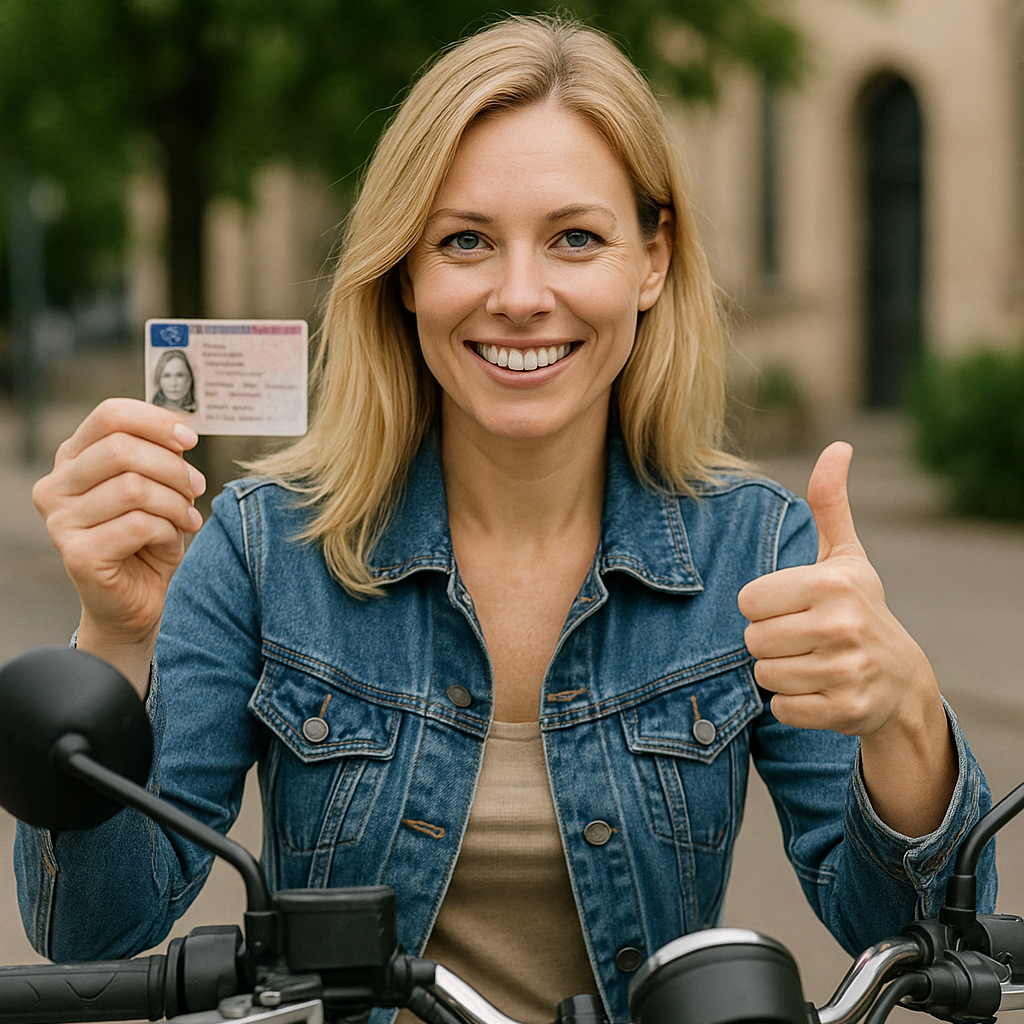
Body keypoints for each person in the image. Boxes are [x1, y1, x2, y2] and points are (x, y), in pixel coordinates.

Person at [21, 15, 995, 1024]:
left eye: (575, 237)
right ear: (407, 272)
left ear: (651, 262)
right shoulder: (265, 551)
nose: (520, 295)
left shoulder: (754, 550)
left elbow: (919, 936)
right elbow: (93, 928)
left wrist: (902, 709)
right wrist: (116, 640)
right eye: (465, 241)